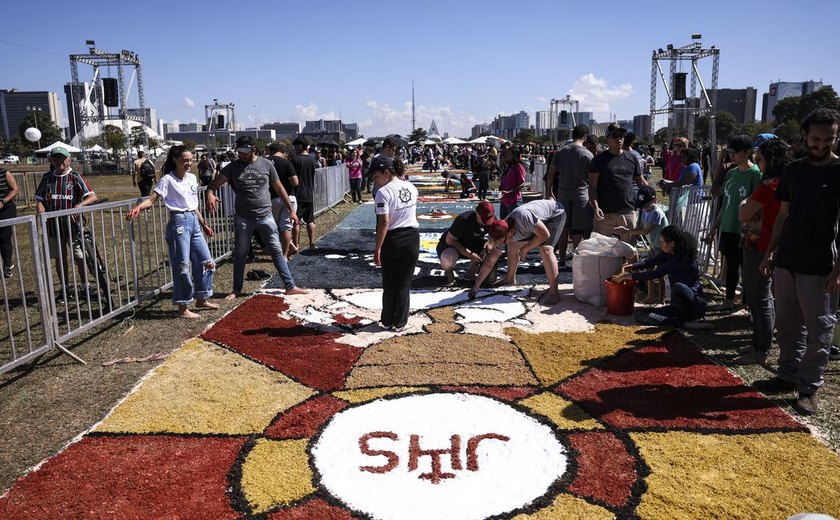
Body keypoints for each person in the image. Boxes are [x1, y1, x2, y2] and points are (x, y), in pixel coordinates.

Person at [754, 108, 840, 415]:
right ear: (804, 136)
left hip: (820, 265)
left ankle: (808, 388)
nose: (822, 144)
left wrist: (837, 270)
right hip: (787, 260)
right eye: (816, 138)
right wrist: (769, 253)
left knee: (819, 330)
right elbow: (781, 216)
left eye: (829, 138)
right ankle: (787, 374)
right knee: (788, 325)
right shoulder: (794, 171)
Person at [206, 135, 307, 300]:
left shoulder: (267, 164)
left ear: (253, 149)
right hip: (243, 218)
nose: (241, 155)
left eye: (245, 151)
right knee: (240, 253)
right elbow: (214, 184)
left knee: (276, 250)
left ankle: (290, 286)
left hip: (265, 216)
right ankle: (236, 289)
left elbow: (280, 188)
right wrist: (210, 193)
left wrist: (292, 210)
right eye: (239, 151)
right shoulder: (233, 167)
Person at [127, 146, 219, 318]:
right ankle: (183, 306)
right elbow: (152, 199)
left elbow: (193, 204)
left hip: (193, 221)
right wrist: (138, 207)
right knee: (182, 266)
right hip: (179, 224)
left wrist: (204, 224)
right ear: (175, 160)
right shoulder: (167, 180)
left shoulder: (192, 177)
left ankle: (202, 297)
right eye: (185, 160)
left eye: (191, 160)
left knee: (208, 263)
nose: (189, 163)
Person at [733, 138, 792, 365]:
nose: (758, 162)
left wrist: (744, 203)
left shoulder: (769, 187)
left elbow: (743, 214)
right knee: (763, 298)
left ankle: (760, 349)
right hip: (771, 246)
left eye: (760, 158)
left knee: (759, 299)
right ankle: (760, 344)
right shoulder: (786, 183)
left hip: (760, 246)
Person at [471, 199, 566, 305]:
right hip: (534, 224)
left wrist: (526, 248)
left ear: (510, 233)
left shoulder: (523, 218)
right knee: (512, 245)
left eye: (501, 241)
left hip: (554, 213)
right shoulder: (498, 233)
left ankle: (554, 293)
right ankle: (510, 278)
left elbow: (545, 235)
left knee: (545, 249)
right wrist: (476, 286)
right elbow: (490, 261)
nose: (500, 244)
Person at [614, 225, 710, 330]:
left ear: (672, 243)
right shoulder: (669, 252)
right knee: (640, 313)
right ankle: (683, 323)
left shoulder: (684, 259)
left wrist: (628, 276)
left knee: (679, 287)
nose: (660, 246)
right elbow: (651, 262)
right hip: (678, 307)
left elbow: (656, 273)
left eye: (662, 242)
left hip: (694, 306)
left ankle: (686, 321)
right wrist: (633, 266)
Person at [706, 135, 761, 310]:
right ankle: (729, 300)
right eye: (729, 153)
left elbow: (757, 206)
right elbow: (725, 203)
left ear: (747, 152)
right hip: (728, 227)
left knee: (746, 268)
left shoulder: (756, 174)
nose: (732, 156)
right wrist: (714, 227)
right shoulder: (731, 173)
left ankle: (746, 303)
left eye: (734, 153)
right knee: (730, 265)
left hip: (745, 229)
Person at [35, 147, 98, 297]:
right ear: (51, 160)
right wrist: (41, 212)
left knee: (80, 256)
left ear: (69, 160)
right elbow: (39, 200)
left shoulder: (75, 177)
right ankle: (65, 288)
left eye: (62, 159)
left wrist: (79, 205)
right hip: (53, 228)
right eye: (56, 158)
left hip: (73, 227)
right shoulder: (47, 178)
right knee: (59, 257)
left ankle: (85, 286)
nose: (59, 162)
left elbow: (92, 196)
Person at [371, 155, 419, 331]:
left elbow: (383, 222)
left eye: (376, 176)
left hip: (393, 239)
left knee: (390, 282)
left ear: (386, 172)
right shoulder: (411, 187)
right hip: (412, 237)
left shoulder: (383, 192)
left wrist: (378, 248)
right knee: (404, 282)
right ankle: (400, 322)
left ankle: (387, 320)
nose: (374, 180)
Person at [589, 123, 648, 243]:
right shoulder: (598, 160)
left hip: (627, 211)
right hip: (605, 213)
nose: (619, 139)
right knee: (601, 249)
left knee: (630, 249)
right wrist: (595, 207)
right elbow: (592, 187)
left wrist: (651, 196)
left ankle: (627, 263)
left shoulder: (632, 158)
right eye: (614, 136)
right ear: (607, 139)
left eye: (621, 135)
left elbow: (641, 182)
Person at [546, 124, 594, 264]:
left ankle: (561, 258)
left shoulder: (561, 152)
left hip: (563, 194)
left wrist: (549, 192)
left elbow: (550, 174)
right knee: (578, 230)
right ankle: (576, 259)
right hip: (581, 195)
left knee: (563, 229)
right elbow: (592, 180)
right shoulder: (588, 155)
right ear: (585, 137)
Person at [615, 185, 669, 304]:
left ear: (654, 200)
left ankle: (661, 299)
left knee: (660, 274)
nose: (644, 208)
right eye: (642, 205)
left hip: (662, 248)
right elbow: (640, 228)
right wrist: (627, 229)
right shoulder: (646, 211)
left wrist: (627, 231)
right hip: (654, 246)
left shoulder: (656, 213)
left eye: (646, 205)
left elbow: (645, 231)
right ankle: (650, 296)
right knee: (649, 270)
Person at [436, 200, 496, 285]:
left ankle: (471, 273)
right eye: (484, 219)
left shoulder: (492, 220)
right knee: (448, 257)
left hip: (473, 242)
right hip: (453, 244)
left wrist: (489, 243)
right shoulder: (464, 219)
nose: (487, 223)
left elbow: (494, 237)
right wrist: (469, 253)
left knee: (492, 250)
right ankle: (450, 275)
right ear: (477, 214)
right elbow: (450, 240)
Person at [267, 142, 300, 259]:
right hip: (289, 197)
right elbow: (295, 182)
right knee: (286, 227)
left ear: (270, 151)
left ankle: (280, 251)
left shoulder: (266, 162)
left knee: (273, 227)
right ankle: (285, 255)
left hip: (273, 197)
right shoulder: (287, 163)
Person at [290, 137, 319, 251]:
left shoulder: (295, 160)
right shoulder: (312, 160)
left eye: (296, 146)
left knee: (296, 222)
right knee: (310, 221)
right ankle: (312, 243)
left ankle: (296, 245)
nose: (294, 149)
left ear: (301, 146)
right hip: (309, 193)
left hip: (298, 194)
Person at [0, 166, 19, 278]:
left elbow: (15, 189)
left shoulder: (4, 173)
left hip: (6, 209)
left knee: (4, 237)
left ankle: (7, 266)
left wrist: (3, 201)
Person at [498, 146, 527, 219]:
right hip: (504, 200)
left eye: (508, 153)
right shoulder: (509, 167)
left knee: (513, 225)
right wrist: (501, 187)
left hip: (514, 201)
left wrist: (509, 192)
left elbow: (522, 184)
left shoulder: (519, 167)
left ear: (514, 155)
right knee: (503, 223)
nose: (506, 155)